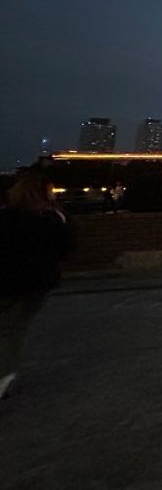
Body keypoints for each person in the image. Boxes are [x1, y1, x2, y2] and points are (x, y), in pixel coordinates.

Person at [0, 171, 74, 400]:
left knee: (7, 329)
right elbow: (67, 247)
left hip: (7, 281)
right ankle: (5, 373)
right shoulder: (54, 218)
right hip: (40, 282)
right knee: (13, 329)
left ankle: (5, 373)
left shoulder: (7, 217)